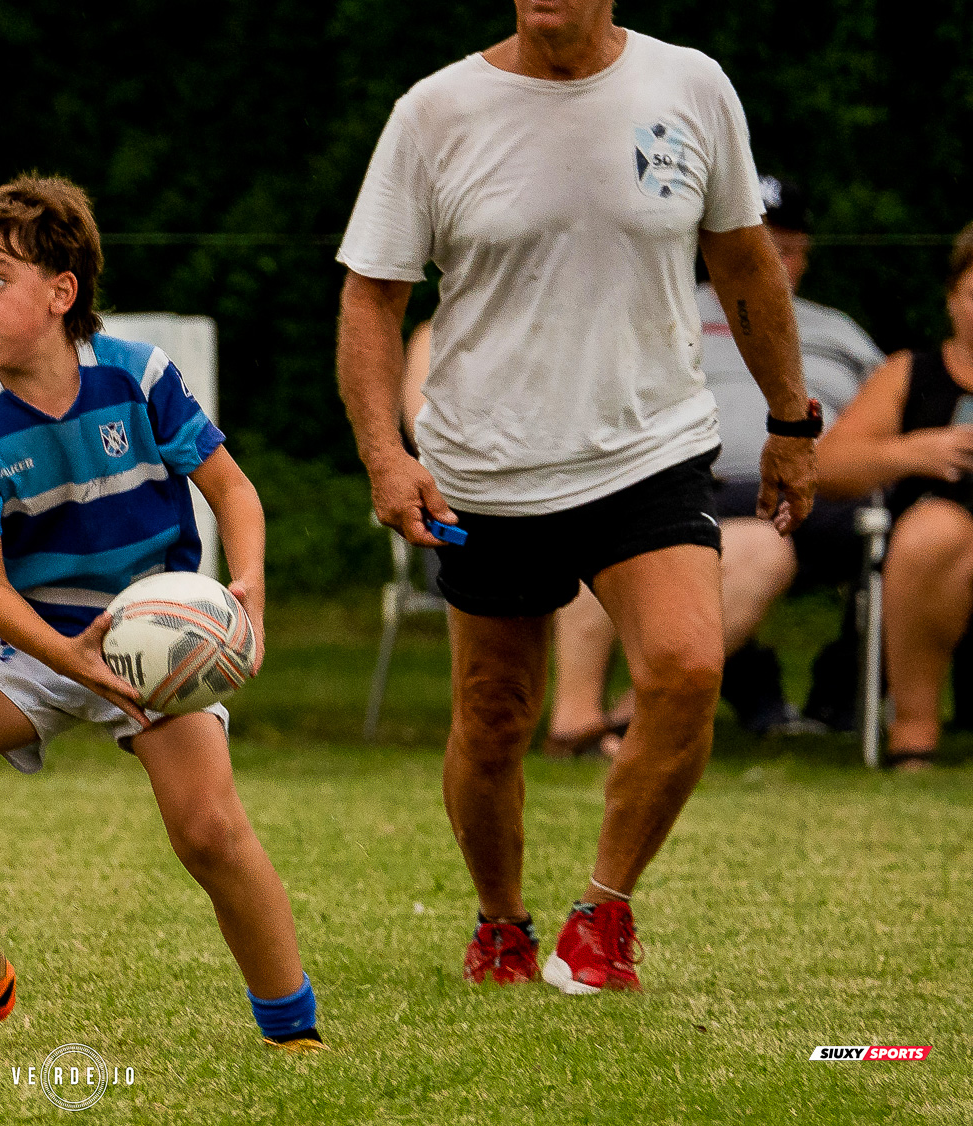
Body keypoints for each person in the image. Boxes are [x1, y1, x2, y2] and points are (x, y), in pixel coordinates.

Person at [336, 0, 816, 993]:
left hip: (651, 446)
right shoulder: (434, 111)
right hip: (489, 463)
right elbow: (372, 295)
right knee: (495, 713)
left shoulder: (691, 86)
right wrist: (386, 453)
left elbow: (741, 263)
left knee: (686, 666)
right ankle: (501, 925)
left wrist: (791, 419)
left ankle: (602, 914)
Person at [0, 176, 323, 1050]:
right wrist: (67, 656)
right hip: (32, 638)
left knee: (209, 831)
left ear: (61, 293)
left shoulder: (139, 378)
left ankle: (294, 1035)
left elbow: (233, 490)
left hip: (155, 637)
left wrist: (245, 583)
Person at [549, 174, 885, 749]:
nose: (769, 259)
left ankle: (635, 718)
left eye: (784, 247)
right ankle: (577, 717)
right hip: (682, 480)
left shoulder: (839, 332)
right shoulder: (663, 313)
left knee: (771, 545)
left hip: (813, 492)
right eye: (752, 242)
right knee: (602, 517)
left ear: (805, 254)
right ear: (712, 244)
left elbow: (887, 411)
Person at [815, 222, 973, 770]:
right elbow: (825, 465)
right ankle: (914, 728)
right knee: (935, 532)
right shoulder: (910, 372)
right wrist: (913, 452)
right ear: (953, 298)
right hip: (930, 545)